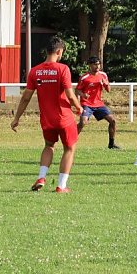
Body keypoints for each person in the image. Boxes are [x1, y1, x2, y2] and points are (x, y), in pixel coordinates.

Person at [11, 36, 82, 193]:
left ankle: (41, 177)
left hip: (47, 119)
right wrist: (79, 107)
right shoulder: (63, 69)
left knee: (49, 146)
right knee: (69, 149)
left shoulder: (35, 71)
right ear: (58, 51)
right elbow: (70, 96)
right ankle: (61, 186)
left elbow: (26, 98)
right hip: (64, 118)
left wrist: (17, 118)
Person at [76, 56, 120, 149]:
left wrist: (106, 83)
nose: (97, 66)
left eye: (98, 64)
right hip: (87, 104)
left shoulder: (103, 75)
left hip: (99, 104)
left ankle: (111, 144)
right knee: (82, 123)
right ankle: (70, 141)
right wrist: (83, 95)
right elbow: (77, 91)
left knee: (113, 121)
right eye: (95, 64)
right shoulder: (84, 77)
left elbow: (108, 90)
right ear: (90, 65)